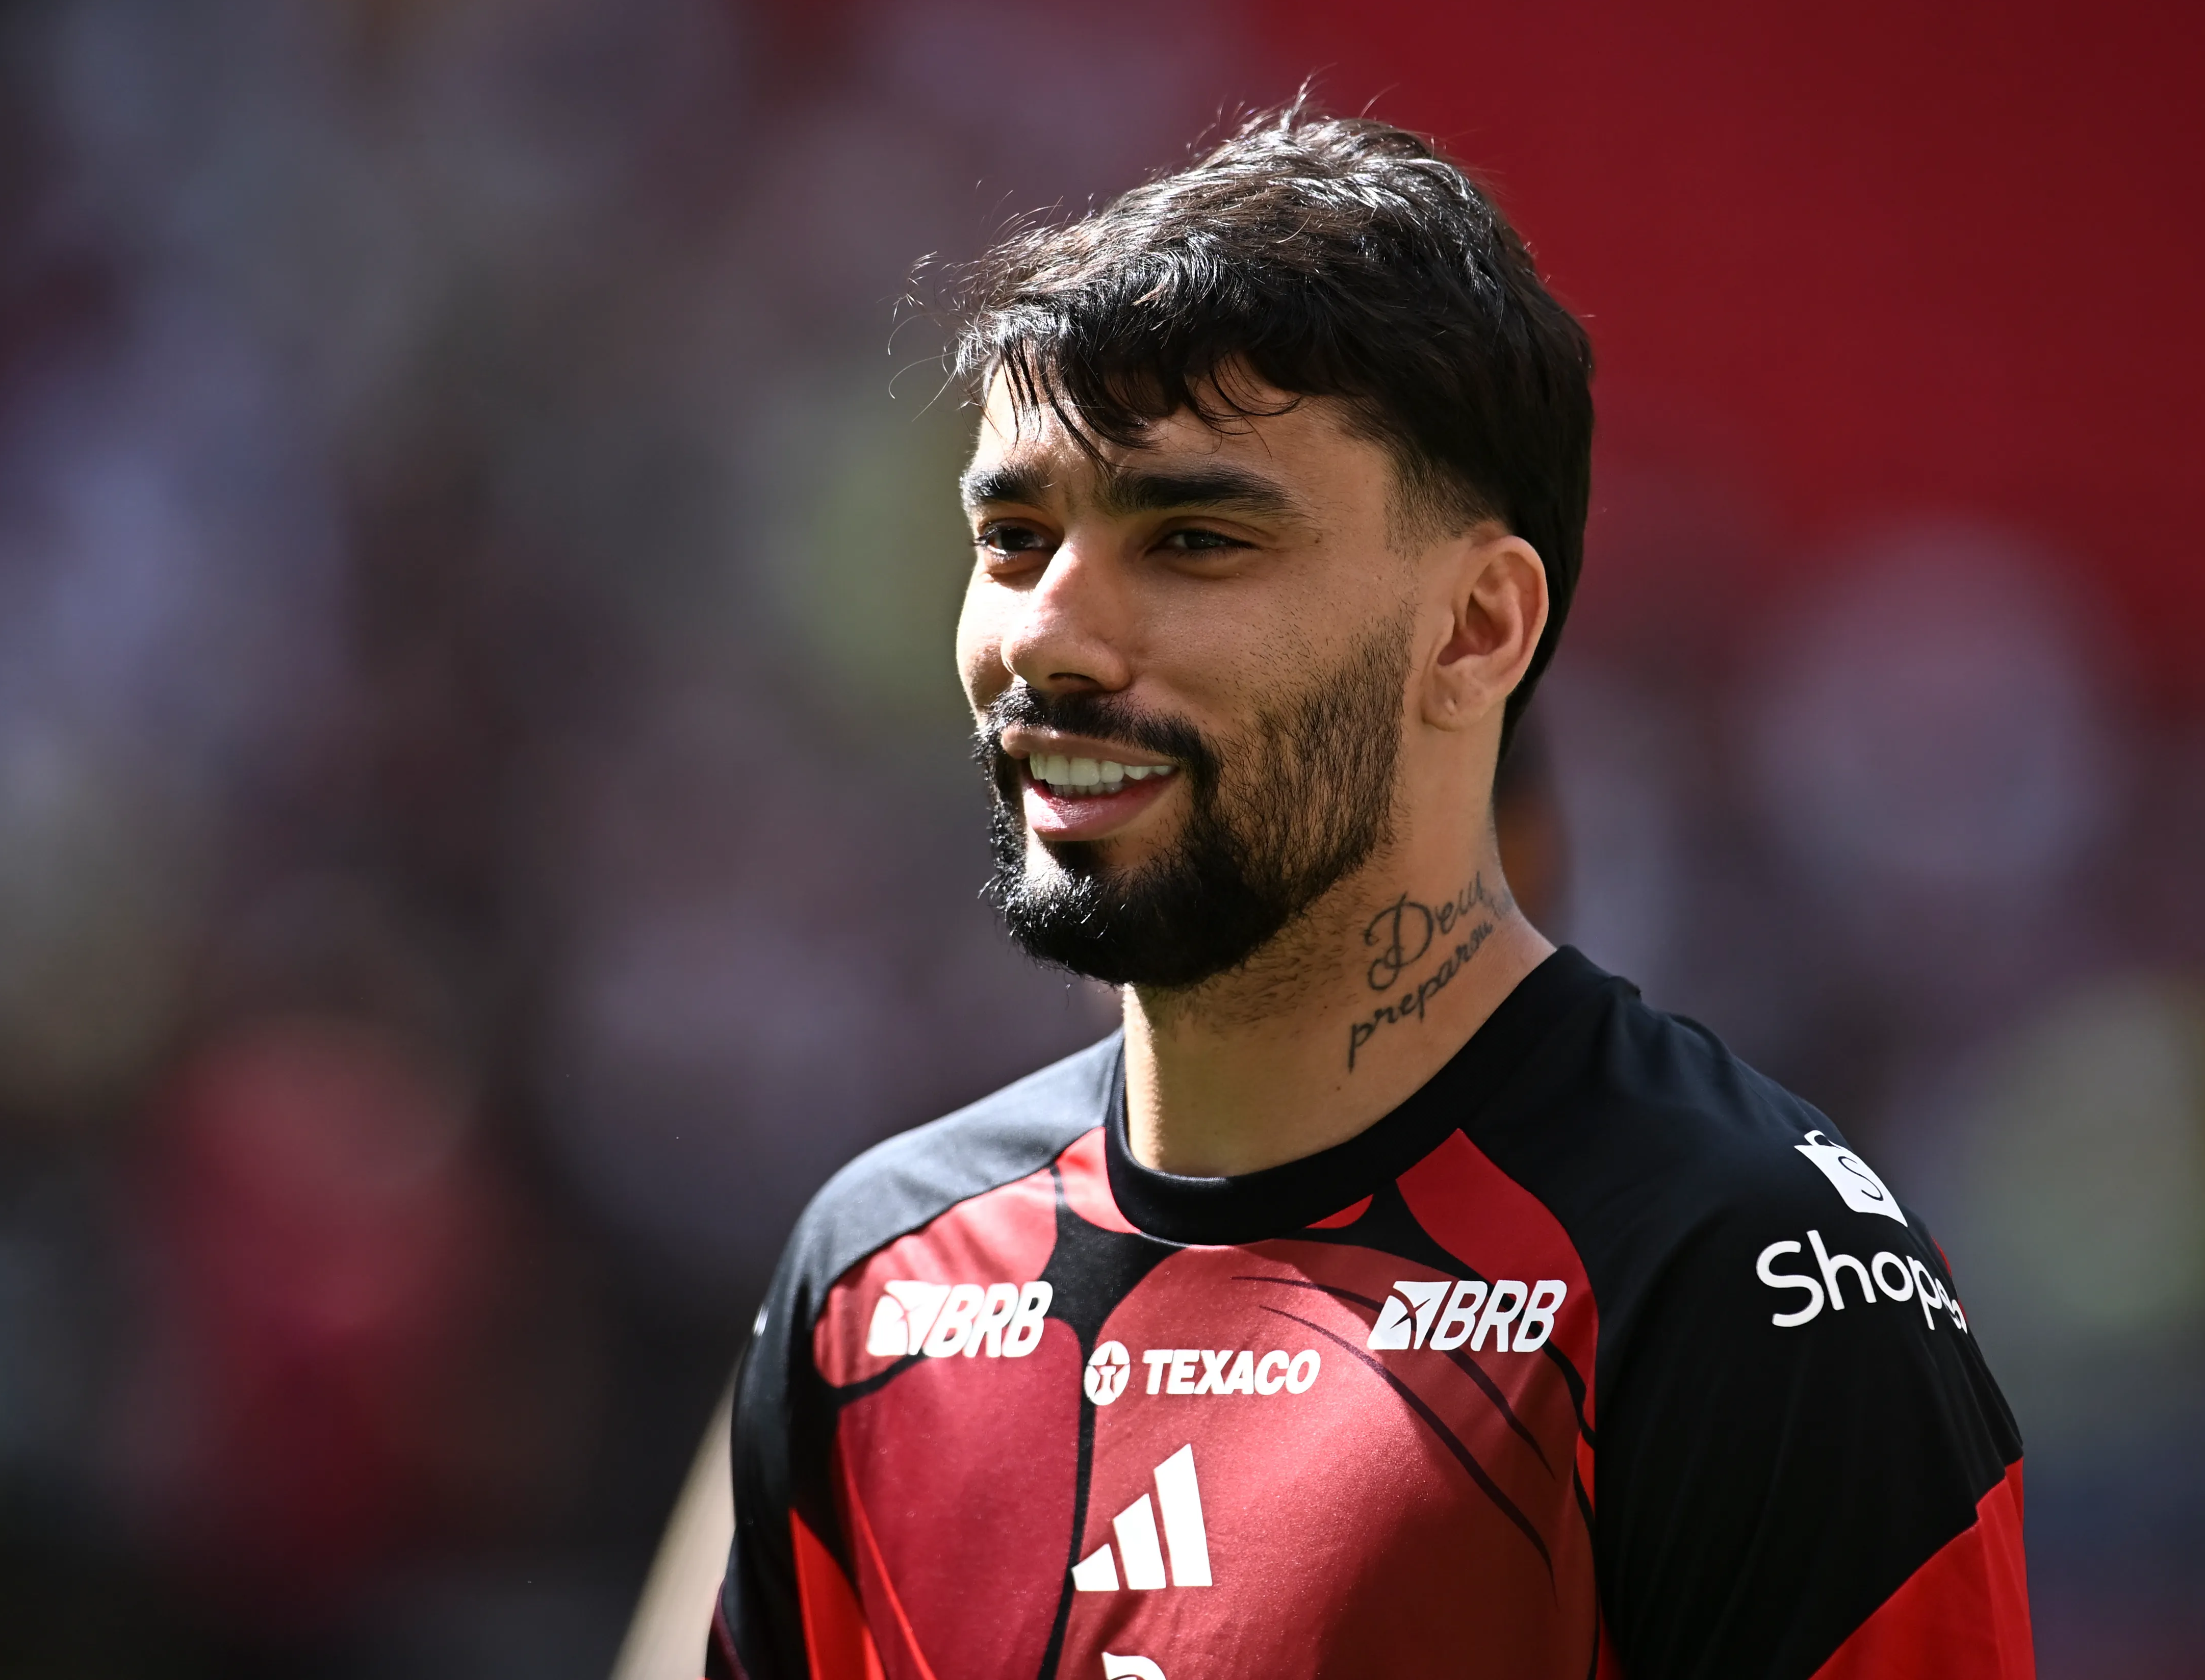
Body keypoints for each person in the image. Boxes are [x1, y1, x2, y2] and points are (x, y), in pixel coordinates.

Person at [701, 108, 2030, 1680]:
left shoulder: (1742, 1283)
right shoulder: (877, 1277)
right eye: (1015, 536)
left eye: (1193, 539)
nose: (1049, 638)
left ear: (1476, 628)